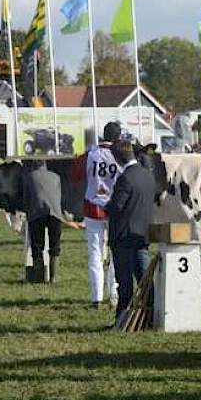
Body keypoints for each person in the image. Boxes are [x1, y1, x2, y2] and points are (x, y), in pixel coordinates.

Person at [73, 122, 122, 308]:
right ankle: (115, 294)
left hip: (92, 207)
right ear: (118, 137)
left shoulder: (90, 154)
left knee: (95, 253)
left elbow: (75, 175)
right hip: (114, 208)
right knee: (115, 252)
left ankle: (96, 297)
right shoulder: (120, 155)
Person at [105, 140, 155, 325]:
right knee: (145, 279)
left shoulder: (125, 178)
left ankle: (122, 318)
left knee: (124, 281)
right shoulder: (147, 176)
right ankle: (150, 315)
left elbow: (117, 206)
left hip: (123, 236)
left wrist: (106, 205)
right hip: (142, 234)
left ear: (117, 158)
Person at [23, 160, 64, 283]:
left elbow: (26, 198)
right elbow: (59, 196)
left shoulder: (29, 177)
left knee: (37, 245)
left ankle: (38, 276)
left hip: (36, 212)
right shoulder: (56, 176)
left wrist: (27, 212)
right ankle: (53, 276)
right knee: (54, 245)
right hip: (55, 213)